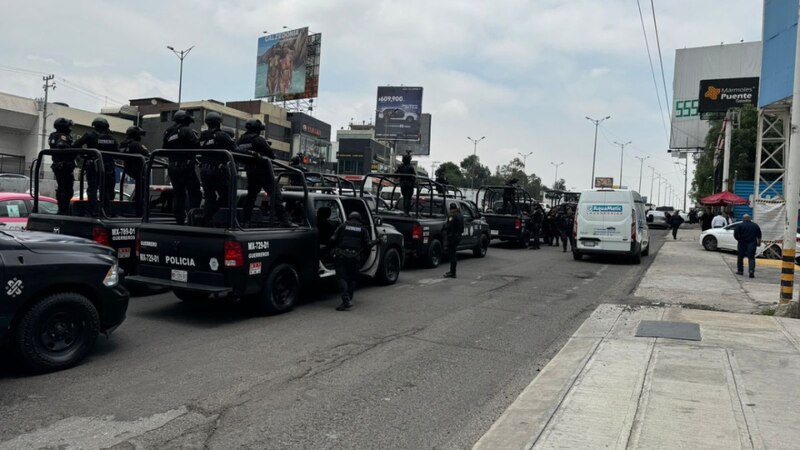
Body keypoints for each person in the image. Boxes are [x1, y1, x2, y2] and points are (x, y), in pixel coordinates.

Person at [236, 119, 287, 225]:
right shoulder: (258, 139)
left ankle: (246, 220)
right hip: (263, 171)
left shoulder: (240, 140)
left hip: (250, 171)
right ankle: (284, 220)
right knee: (275, 195)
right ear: (258, 129)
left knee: (251, 197)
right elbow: (271, 155)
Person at [330, 211, 376, 311]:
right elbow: (368, 244)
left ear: (350, 217)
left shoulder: (343, 226)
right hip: (355, 257)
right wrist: (378, 241)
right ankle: (348, 300)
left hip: (342, 256)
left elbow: (333, 239)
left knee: (342, 278)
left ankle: (346, 301)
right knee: (351, 279)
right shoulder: (363, 229)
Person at [163, 110, 201, 225]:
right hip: (186, 166)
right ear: (186, 120)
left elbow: (164, 148)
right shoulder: (186, 130)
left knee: (179, 195)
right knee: (195, 193)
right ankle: (192, 218)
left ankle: (179, 220)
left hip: (172, 167)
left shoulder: (168, 132)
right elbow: (197, 146)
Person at [74, 117, 119, 216]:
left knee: (92, 189)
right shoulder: (111, 138)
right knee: (106, 191)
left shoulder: (90, 135)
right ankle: (106, 212)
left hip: (93, 167)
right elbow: (117, 152)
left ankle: (91, 211)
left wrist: (83, 155)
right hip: (108, 169)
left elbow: (76, 145)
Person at [198, 112, 236, 223]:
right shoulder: (222, 136)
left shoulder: (203, 136)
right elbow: (235, 149)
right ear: (219, 123)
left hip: (204, 171)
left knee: (210, 197)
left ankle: (206, 219)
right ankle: (211, 216)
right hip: (217, 171)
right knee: (227, 196)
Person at [118, 126, 150, 216]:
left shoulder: (122, 144)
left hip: (128, 169)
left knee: (139, 190)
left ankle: (136, 207)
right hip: (138, 170)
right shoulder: (136, 144)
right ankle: (140, 211)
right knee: (141, 192)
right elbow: (147, 154)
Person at [48, 117, 76, 215]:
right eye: (68, 126)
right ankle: (63, 210)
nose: (70, 128)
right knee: (66, 189)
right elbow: (61, 145)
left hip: (60, 166)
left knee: (62, 188)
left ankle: (62, 209)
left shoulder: (53, 135)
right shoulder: (61, 136)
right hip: (64, 166)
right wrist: (74, 148)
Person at [734, 214, 762, 278]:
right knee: (751, 258)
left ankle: (740, 271)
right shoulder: (755, 225)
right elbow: (759, 235)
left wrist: (739, 240)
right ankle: (751, 271)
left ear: (743, 219)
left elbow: (735, 234)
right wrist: (759, 243)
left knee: (740, 257)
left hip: (742, 243)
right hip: (752, 243)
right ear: (750, 219)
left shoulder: (740, 225)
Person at [444, 203, 464, 278]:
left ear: (450, 208)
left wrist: (447, 234)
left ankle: (452, 272)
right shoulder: (460, 215)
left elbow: (449, 226)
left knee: (452, 254)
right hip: (458, 236)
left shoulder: (452, 215)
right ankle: (452, 271)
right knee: (453, 253)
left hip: (452, 237)